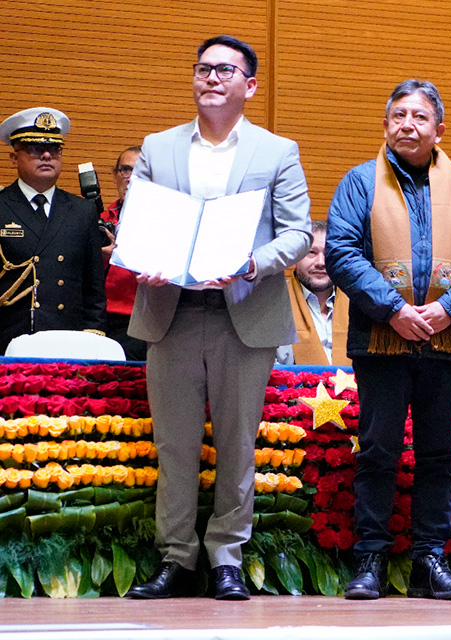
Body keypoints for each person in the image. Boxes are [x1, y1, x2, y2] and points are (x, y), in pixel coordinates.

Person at [124, 35, 312, 600]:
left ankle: (226, 557)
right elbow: (140, 219)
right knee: (175, 445)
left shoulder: (277, 151)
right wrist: (145, 260)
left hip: (244, 312)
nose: (210, 78)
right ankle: (176, 559)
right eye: (202, 68)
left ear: (249, 85)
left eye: (225, 70)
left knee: (236, 444)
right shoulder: (158, 147)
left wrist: (254, 262)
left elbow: (300, 233)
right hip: (171, 311)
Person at [326, 79, 451, 600]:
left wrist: (448, 309)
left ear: (439, 130)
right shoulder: (360, 182)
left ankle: (430, 560)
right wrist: (394, 309)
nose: (408, 124)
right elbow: (341, 252)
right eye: (399, 115)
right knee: (378, 451)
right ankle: (370, 561)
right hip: (381, 342)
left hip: (446, 344)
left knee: (438, 456)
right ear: (385, 125)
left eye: (420, 117)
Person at [0, 107, 106, 354]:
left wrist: (93, 335)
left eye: (55, 149)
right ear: (14, 158)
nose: (47, 155)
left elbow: (94, 288)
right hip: (8, 337)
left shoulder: (82, 211)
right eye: (35, 149)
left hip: (66, 338)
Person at [277, 219, 350, 366]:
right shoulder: (273, 302)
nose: (321, 262)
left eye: (329, 253)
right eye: (311, 252)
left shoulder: (358, 302)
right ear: (295, 258)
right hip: (292, 388)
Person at [99, 146, 146, 360]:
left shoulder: (168, 222)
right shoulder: (97, 218)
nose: (130, 178)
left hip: (148, 318)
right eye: (125, 171)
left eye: (139, 172)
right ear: (116, 176)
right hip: (106, 318)